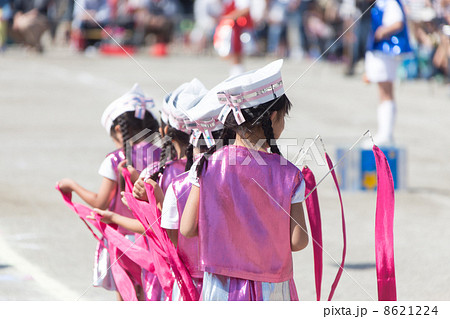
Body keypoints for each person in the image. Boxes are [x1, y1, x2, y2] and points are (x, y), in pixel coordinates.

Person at [180, 59, 309, 301]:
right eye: (283, 117)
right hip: (272, 287)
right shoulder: (289, 174)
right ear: (272, 118)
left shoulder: (206, 165)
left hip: (220, 286)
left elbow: (187, 228)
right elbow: (298, 241)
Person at [58, 83, 160, 300]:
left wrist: (72, 186)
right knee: (151, 295)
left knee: (127, 294)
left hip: (124, 238)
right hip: (154, 238)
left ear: (117, 130)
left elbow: (100, 203)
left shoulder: (114, 159)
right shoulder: (163, 155)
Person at [364, 0, 412, 146]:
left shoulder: (389, 2)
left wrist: (382, 31)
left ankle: (385, 133)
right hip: (383, 52)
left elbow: (398, 23)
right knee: (385, 93)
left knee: (385, 93)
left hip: (386, 52)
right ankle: (385, 132)